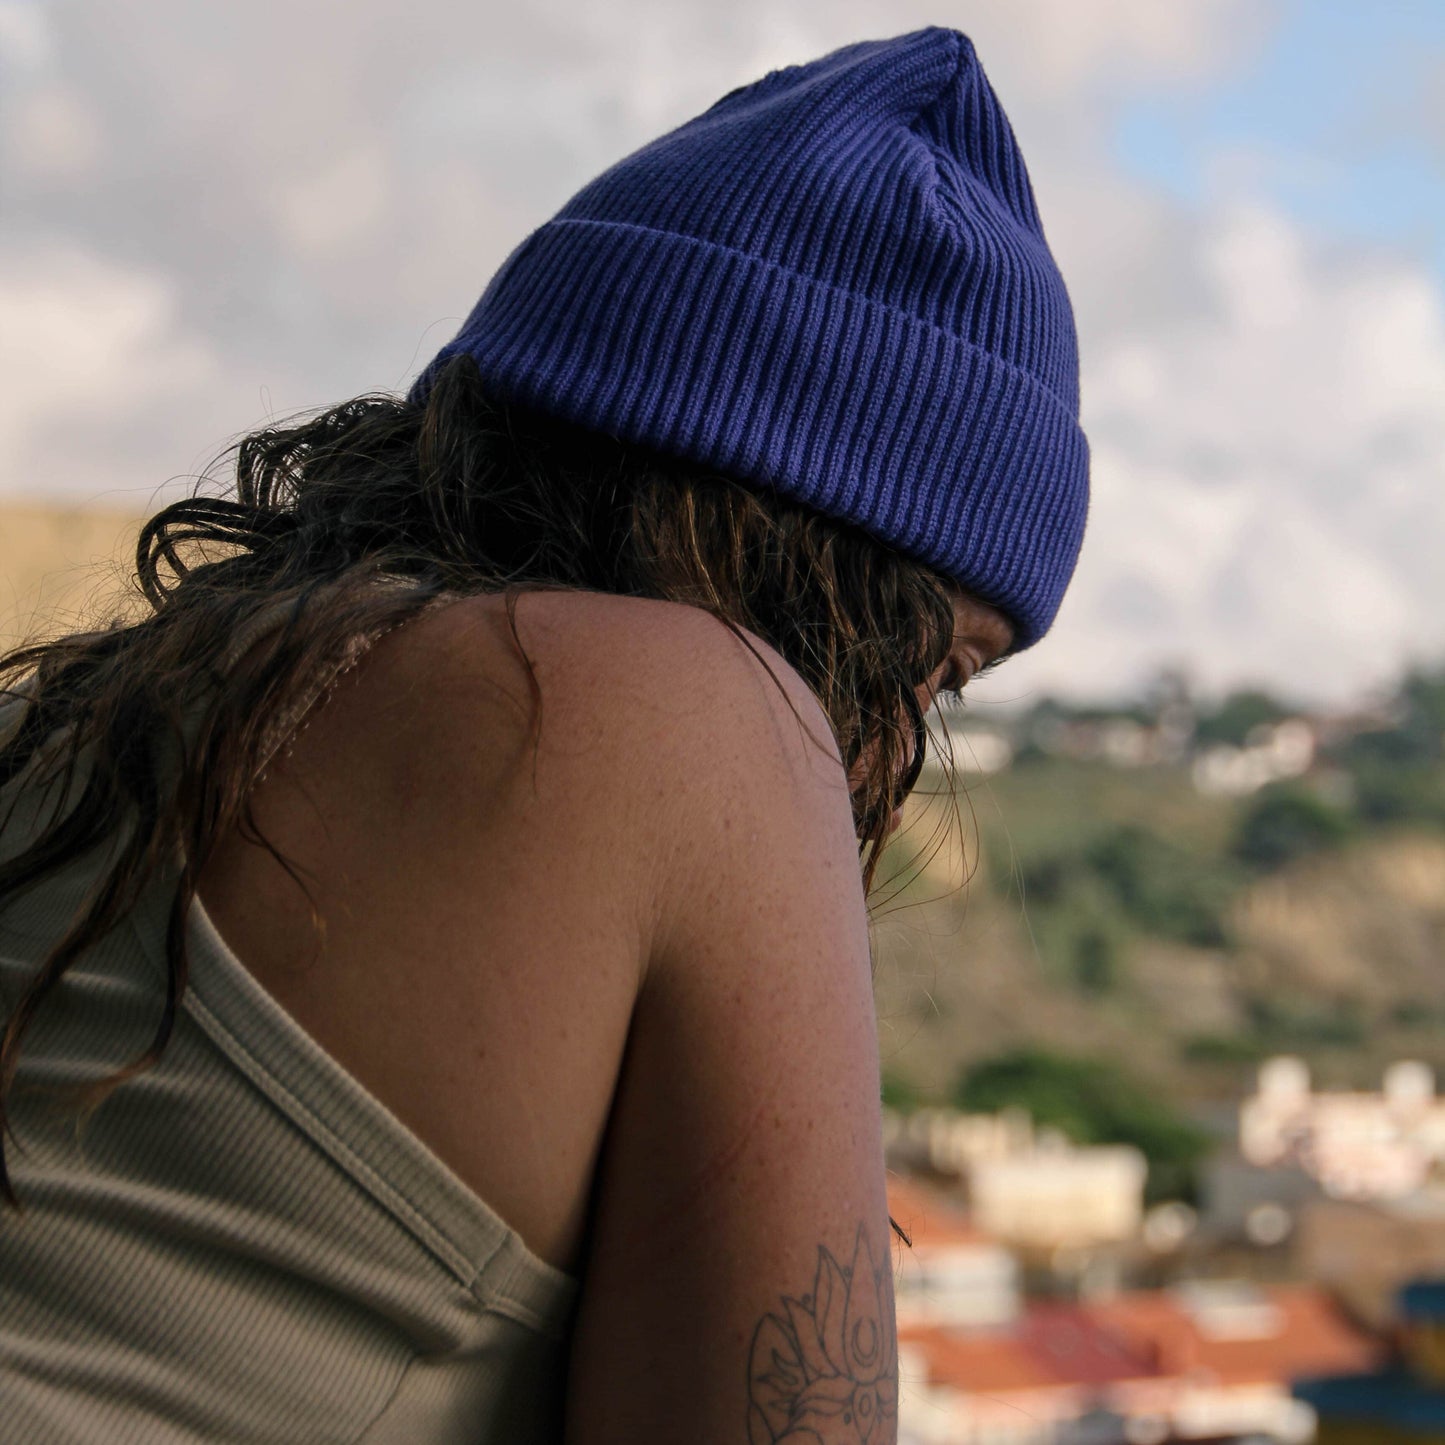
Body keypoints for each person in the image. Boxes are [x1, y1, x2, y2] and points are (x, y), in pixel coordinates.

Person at [0, 26, 1088, 1445]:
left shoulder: (79, 719)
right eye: (935, 670)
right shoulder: (709, 720)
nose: (892, 762)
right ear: (833, 582)